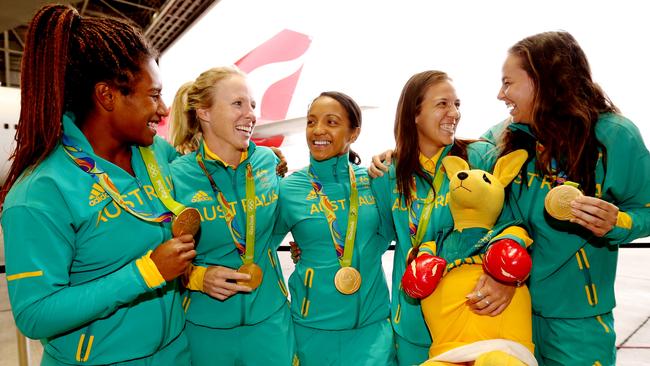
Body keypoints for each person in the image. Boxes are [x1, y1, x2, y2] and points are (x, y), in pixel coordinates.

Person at [1, 4, 196, 365]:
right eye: (153, 95)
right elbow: (35, 314)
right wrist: (145, 272)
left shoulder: (156, 157)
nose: (164, 109)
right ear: (107, 95)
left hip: (176, 353)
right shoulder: (41, 192)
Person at [482, 31, 650, 365]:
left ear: (543, 82)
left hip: (579, 322)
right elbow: (455, 168)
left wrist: (619, 222)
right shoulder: (506, 137)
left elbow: (646, 209)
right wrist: (394, 157)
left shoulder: (614, 135)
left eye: (508, 82)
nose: (500, 94)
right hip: (513, 310)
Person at [369, 71, 530, 365]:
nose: (454, 113)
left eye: (457, 104)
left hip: (474, 317)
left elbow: (511, 226)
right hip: (413, 322)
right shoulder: (388, 174)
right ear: (414, 114)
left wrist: (509, 281)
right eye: (442, 104)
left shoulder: (477, 158)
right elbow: (376, 236)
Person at [168, 66, 295, 365]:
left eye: (252, 104)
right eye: (238, 103)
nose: (250, 114)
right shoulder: (176, 177)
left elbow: (281, 224)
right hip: (206, 332)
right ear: (204, 112)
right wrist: (197, 277)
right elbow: (154, 254)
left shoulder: (267, 162)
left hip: (270, 324)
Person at [273, 91, 395, 365]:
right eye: (311, 121)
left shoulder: (374, 180)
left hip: (372, 330)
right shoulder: (289, 189)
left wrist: (399, 156)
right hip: (311, 331)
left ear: (354, 133)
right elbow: (260, 248)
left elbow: (395, 232)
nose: (318, 130)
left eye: (331, 122)